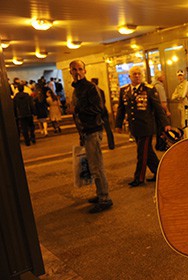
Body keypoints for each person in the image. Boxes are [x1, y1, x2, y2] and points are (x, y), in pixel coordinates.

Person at [115, 66, 170, 187]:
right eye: (134, 74)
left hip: (146, 127)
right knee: (147, 152)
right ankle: (159, 171)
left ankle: (139, 177)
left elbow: (158, 108)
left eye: (139, 74)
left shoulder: (149, 89)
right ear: (129, 76)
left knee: (141, 153)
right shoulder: (124, 90)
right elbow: (121, 109)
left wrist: (165, 123)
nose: (137, 76)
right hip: (134, 128)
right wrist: (118, 125)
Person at [70, 60, 113, 214]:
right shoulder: (77, 89)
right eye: (74, 69)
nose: (77, 72)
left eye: (80, 69)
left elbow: (98, 108)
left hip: (93, 130)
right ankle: (100, 193)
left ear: (85, 71)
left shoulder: (90, 88)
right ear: (70, 72)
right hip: (86, 131)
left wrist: (78, 108)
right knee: (93, 165)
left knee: (96, 166)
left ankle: (105, 198)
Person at [91, 78, 115, 150]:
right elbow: (103, 101)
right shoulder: (101, 91)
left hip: (98, 113)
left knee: (96, 131)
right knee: (108, 129)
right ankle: (111, 145)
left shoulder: (92, 92)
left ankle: (97, 146)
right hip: (103, 111)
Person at [152, 70, 171, 151]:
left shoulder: (153, 86)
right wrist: (167, 111)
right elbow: (163, 102)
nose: (164, 77)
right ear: (159, 77)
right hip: (160, 111)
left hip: (154, 111)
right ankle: (162, 145)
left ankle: (158, 145)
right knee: (163, 128)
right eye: (163, 75)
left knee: (158, 129)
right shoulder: (160, 87)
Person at [171, 70, 188, 138]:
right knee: (183, 123)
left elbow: (183, 95)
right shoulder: (179, 85)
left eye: (181, 75)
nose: (180, 77)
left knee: (185, 123)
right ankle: (187, 137)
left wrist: (178, 95)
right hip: (181, 105)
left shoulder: (186, 83)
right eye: (179, 76)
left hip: (185, 105)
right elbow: (172, 97)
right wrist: (178, 95)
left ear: (184, 75)